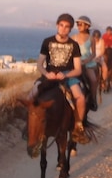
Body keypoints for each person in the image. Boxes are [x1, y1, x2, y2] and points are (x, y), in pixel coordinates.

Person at [30, 13, 88, 143]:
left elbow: (78, 69)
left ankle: (78, 126)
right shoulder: (47, 42)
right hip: (49, 75)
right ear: (57, 25)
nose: (63, 29)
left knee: (80, 98)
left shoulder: (74, 45)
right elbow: (39, 64)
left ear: (70, 29)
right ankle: (29, 125)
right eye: (61, 25)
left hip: (67, 76)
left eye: (67, 27)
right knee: (32, 94)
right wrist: (46, 74)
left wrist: (66, 75)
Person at [73, 15, 98, 112]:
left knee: (93, 79)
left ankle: (93, 99)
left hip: (87, 63)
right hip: (76, 62)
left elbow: (94, 53)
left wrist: (86, 60)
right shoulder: (73, 37)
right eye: (78, 24)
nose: (78, 26)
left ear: (87, 26)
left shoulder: (91, 39)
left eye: (81, 24)